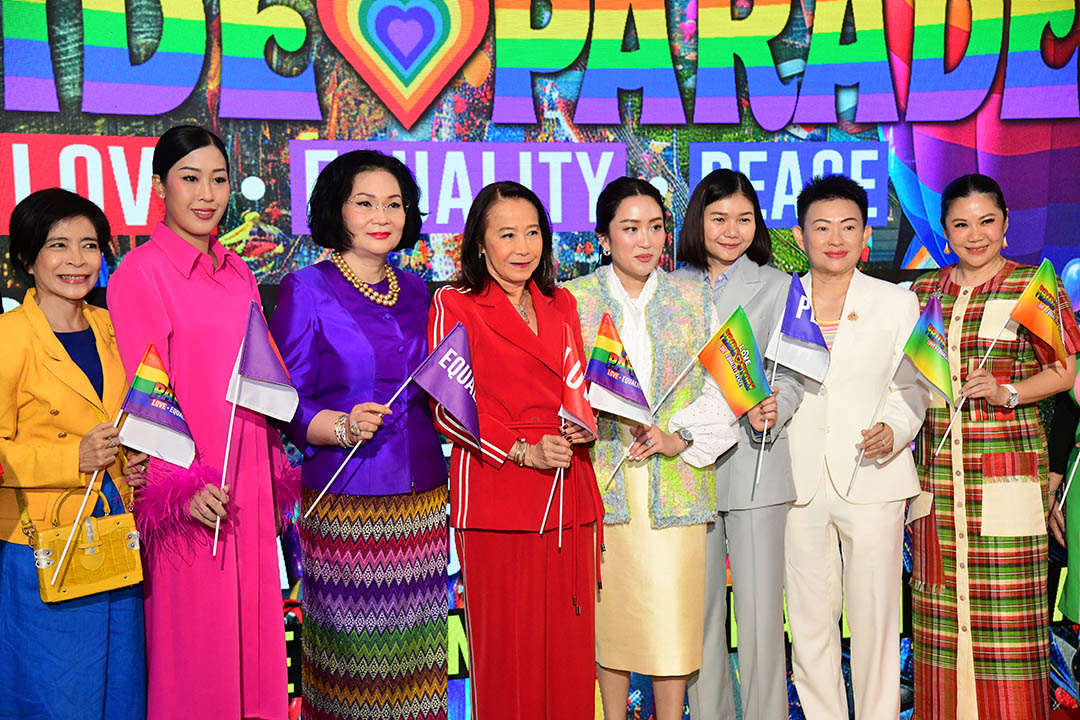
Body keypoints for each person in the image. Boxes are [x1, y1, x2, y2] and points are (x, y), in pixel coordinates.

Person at [107, 126, 295, 720]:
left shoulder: (239, 271)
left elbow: (258, 375)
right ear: (159, 187)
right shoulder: (140, 273)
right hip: (192, 497)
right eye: (190, 179)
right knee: (197, 660)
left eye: (218, 179)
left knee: (256, 656)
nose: (207, 194)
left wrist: (271, 476)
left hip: (249, 488)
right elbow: (145, 397)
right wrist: (178, 490)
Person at [270, 150, 448, 720]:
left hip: (422, 501)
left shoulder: (420, 291)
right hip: (346, 500)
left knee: (418, 665)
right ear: (337, 209)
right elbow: (284, 399)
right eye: (365, 203)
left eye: (394, 204)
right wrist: (340, 425)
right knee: (354, 671)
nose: (382, 216)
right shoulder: (305, 289)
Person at [565, 176, 739, 720]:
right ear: (603, 237)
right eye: (630, 228)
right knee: (611, 622)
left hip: (675, 483)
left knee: (672, 624)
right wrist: (579, 423)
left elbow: (725, 389)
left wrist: (677, 437)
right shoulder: (573, 300)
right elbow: (559, 386)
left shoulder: (695, 299)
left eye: (656, 227)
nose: (646, 241)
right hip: (602, 483)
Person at [428, 181, 603, 719]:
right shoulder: (455, 303)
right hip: (498, 496)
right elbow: (449, 406)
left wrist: (583, 425)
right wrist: (523, 450)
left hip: (568, 493)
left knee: (570, 658)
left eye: (532, 233)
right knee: (508, 659)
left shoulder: (561, 302)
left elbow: (575, 388)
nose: (523, 247)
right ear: (480, 243)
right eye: (507, 235)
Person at [909, 173, 1080, 718]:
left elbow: (1064, 371)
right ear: (945, 231)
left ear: (1006, 225)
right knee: (937, 616)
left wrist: (1009, 391)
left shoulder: (1033, 286)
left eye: (986, 221)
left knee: (1010, 626)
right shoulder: (923, 293)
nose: (975, 234)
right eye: (961, 224)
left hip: (1006, 475)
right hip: (938, 480)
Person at [784, 175, 931, 720]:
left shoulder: (897, 302)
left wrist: (895, 427)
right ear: (800, 235)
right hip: (795, 480)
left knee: (876, 619)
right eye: (822, 227)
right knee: (808, 621)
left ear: (866, 234)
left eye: (848, 226)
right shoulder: (780, 299)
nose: (835, 238)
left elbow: (913, 387)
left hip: (873, 474)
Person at [0, 188, 149, 720]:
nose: (77, 260)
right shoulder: (9, 337)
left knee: (121, 694)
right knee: (56, 698)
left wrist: (133, 461)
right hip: (42, 546)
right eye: (58, 245)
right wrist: (71, 460)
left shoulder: (112, 326)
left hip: (116, 539)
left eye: (89, 245)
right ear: (27, 258)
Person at [671, 169, 803, 720]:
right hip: (685, 470)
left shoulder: (780, 285)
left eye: (744, 219)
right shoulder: (668, 287)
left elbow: (792, 373)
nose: (732, 231)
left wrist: (777, 405)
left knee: (759, 619)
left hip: (756, 464)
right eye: (719, 218)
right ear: (697, 221)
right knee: (697, 617)